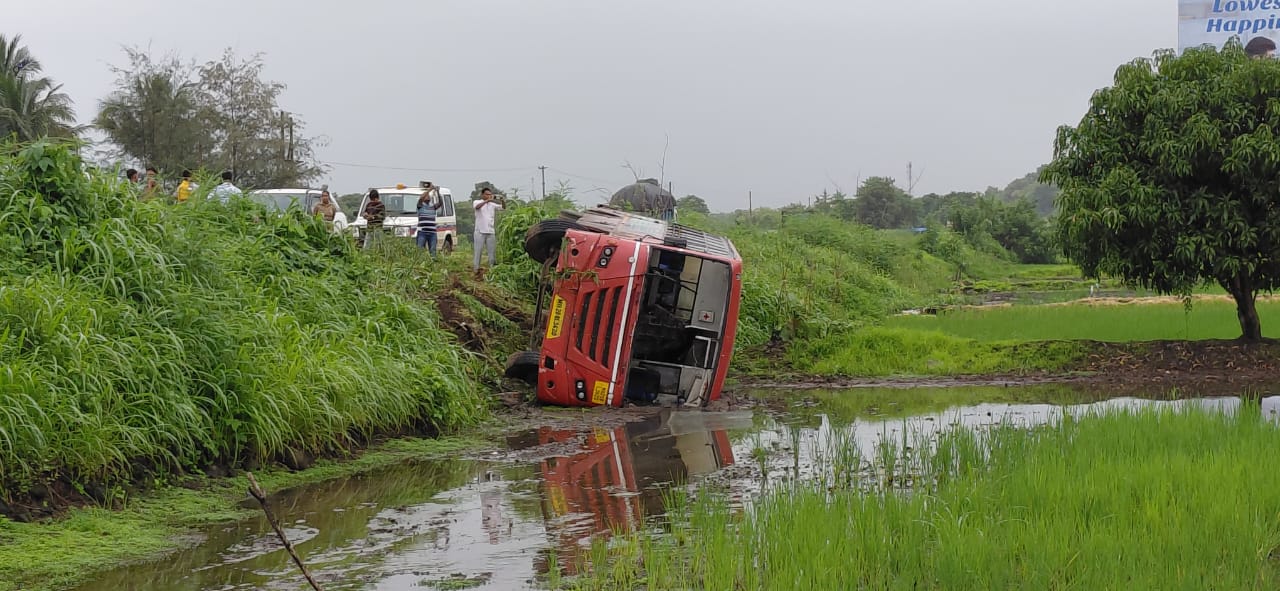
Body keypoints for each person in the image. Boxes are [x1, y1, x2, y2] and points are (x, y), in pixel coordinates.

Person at [472, 187, 504, 277]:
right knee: (478, 251)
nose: (489, 196)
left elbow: (503, 208)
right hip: (480, 231)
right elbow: (477, 207)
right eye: (487, 194)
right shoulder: (477, 202)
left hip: (490, 231)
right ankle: (476, 269)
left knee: (491, 252)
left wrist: (502, 200)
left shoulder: (492, 205)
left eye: (490, 195)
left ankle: (492, 269)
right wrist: (487, 201)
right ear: (482, 195)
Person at [416, 185, 442, 258]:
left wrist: (437, 192)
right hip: (422, 233)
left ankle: (433, 264)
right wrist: (429, 190)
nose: (428, 196)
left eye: (428, 196)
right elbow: (421, 198)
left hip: (432, 233)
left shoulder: (432, 207)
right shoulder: (420, 206)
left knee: (433, 250)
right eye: (426, 195)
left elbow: (440, 203)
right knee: (419, 251)